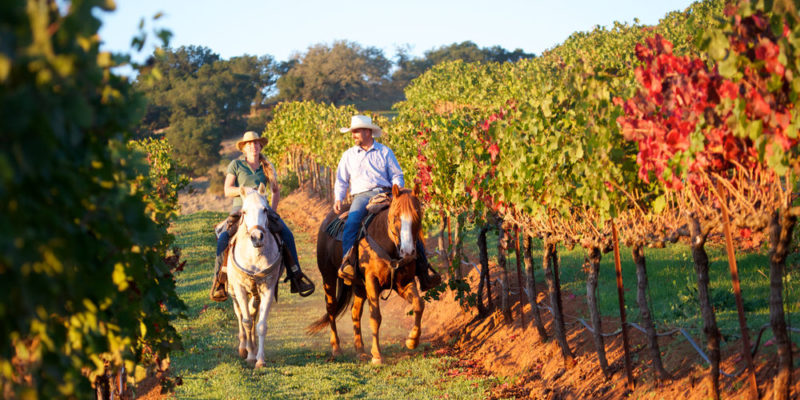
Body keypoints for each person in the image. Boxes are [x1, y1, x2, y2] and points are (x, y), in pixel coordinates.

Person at [334, 115, 441, 290]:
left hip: (386, 194)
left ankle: (423, 271)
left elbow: (397, 174)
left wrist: (398, 191)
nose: (353, 135)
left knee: (408, 222)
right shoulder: (348, 155)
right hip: (361, 196)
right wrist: (338, 198)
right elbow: (341, 180)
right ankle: (348, 263)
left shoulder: (384, 152)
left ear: (368, 132)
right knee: (352, 222)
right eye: (352, 131)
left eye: (356, 131)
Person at [210, 131, 314, 301]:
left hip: (262, 211)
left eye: (256, 143)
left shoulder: (267, 166)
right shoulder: (235, 165)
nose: (253, 146)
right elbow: (227, 190)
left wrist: (271, 210)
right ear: (244, 148)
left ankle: (296, 276)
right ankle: (220, 281)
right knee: (223, 238)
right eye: (249, 144)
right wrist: (244, 190)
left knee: (287, 235)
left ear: (260, 146)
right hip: (241, 210)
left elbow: (275, 191)